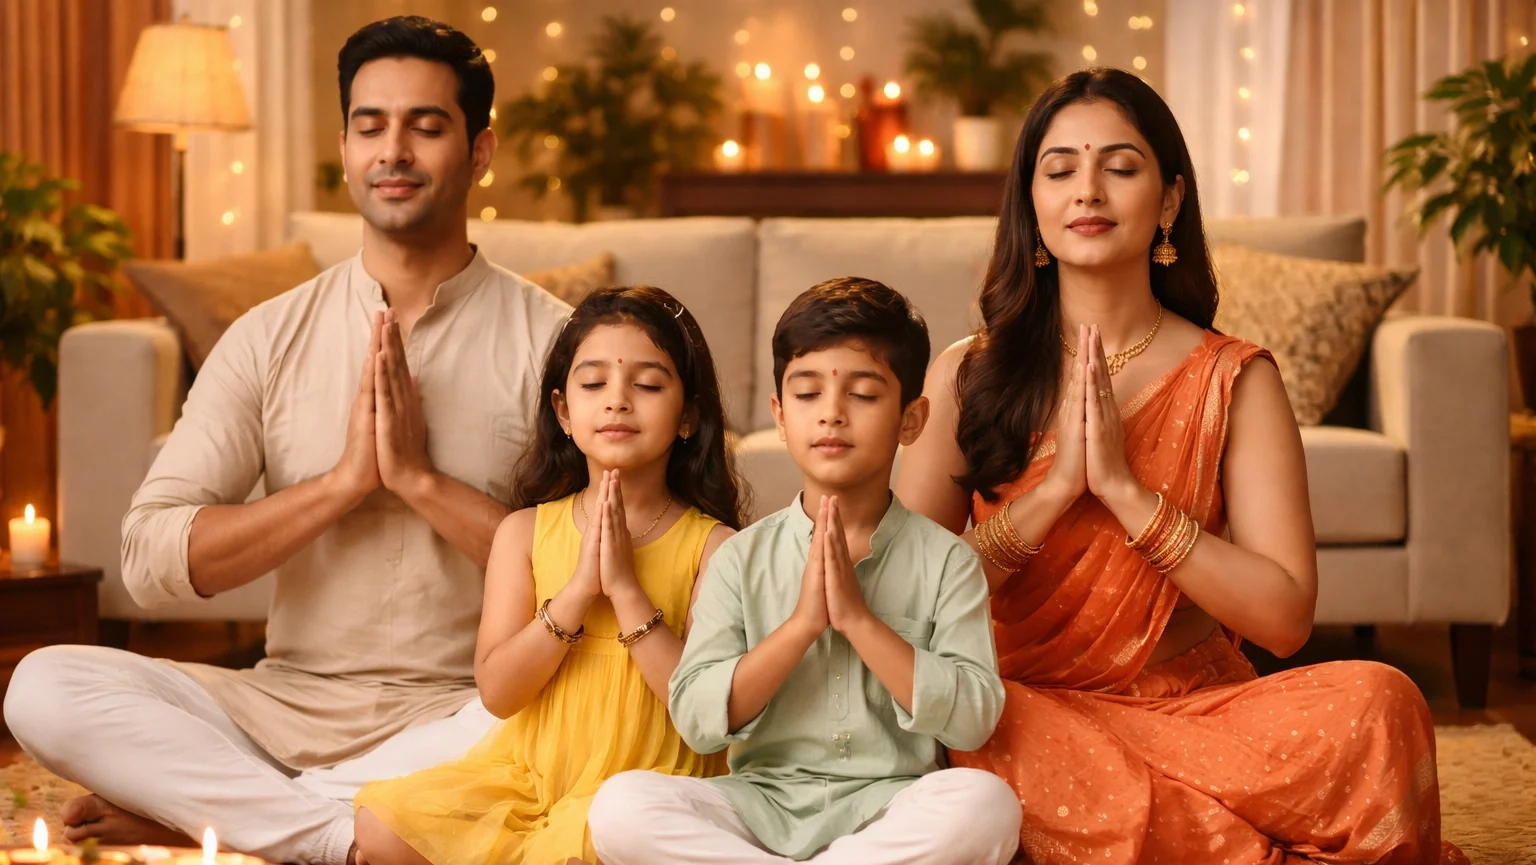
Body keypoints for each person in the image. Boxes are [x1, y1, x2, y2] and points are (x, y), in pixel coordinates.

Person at [1, 17, 570, 865]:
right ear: (344, 147)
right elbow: (151, 555)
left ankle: (243, 818)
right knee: (45, 686)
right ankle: (348, 834)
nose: (395, 150)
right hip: (281, 708)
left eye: (426, 125)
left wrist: (418, 482)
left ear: (480, 151)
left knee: (591, 725)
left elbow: (593, 573)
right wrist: (342, 484)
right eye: (371, 125)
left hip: (473, 713)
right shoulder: (270, 335)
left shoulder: (556, 341)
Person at [894, 67, 1462, 865]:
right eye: (1059, 170)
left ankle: (1150, 828)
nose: (1087, 190)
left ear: (1168, 201)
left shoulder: (1236, 377)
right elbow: (903, 599)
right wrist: (1055, 493)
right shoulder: (966, 376)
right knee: (948, 732)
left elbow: (1285, 616)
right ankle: (1224, 835)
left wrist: (1129, 496)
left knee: (1382, 702)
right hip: (1020, 713)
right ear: (1030, 205)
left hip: (1197, 711)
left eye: (1119, 167)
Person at [588, 278, 1020, 865]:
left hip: (890, 806)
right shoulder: (740, 558)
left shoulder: (948, 561)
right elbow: (697, 720)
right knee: (621, 806)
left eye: (864, 395)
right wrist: (800, 627)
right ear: (780, 414)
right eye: (808, 393)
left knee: (984, 804)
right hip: (757, 806)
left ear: (912, 420)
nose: (833, 415)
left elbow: (972, 722)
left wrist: (859, 621)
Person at [351, 285, 743, 865]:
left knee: (588, 843)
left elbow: (704, 718)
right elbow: (500, 694)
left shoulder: (717, 547)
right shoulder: (524, 534)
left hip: (643, 786)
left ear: (687, 416)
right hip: (530, 777)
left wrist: (628, 592)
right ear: (563, 412)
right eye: (593, 384)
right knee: (382, 828)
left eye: (648, 384)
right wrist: (578, 593)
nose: (617, 401)